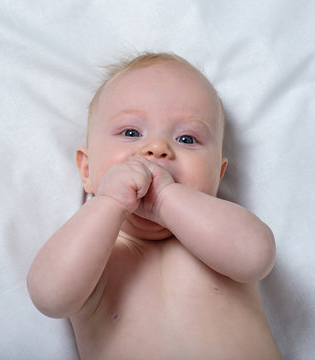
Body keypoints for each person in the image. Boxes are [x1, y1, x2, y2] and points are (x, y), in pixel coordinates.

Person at [27, 52, 281, 359]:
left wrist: (165, 199)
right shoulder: (95, 255)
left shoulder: (222, 239)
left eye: (187, 138)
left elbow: (256, 256)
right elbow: (50, 298)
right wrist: (108, 202)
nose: (157, 148)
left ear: (219, 174)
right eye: (131, 133)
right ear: (87, 171)